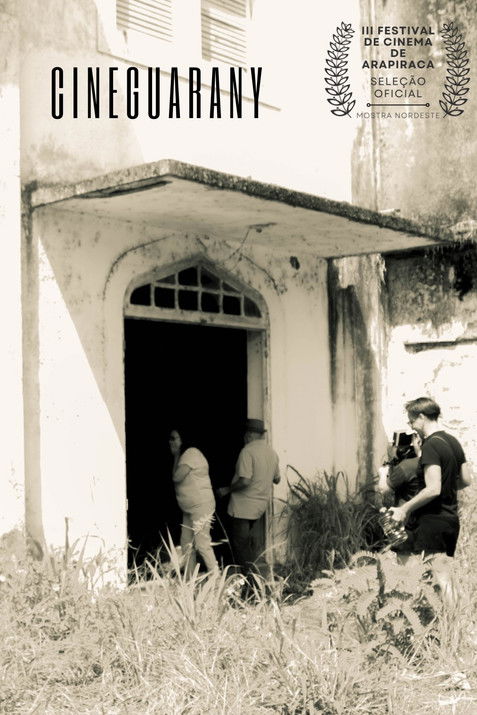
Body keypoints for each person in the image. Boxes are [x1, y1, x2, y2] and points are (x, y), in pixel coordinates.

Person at [389, 397, 472, 601]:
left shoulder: (431, 445)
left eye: (411, 420)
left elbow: (433, 488)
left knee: (438, 578)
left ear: (421, 417)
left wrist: (404, 509)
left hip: (432, 520)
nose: (411, 426)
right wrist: (446, 488)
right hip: (450, 519)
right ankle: (455, 618)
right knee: (444, 577)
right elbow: (466, 480)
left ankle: (451, 618)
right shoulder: (453, 441)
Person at [218, 418, 280, 577]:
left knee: (241, 547)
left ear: (250, 435)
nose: (244, 438)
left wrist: (227, 490)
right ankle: (252, 578)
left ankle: (252, 583)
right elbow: (277, 479)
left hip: (243, 508)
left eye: (245, 434)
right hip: (259, 507)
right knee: (248, 545)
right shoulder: (272, 453)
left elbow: (245, 480)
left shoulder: (247, 451)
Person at [169, 428, 219, 578]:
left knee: (202, 544)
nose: (171, 441)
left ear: (183, 439)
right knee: (186, 543)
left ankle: (216, 580)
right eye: (170, 438)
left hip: (200, 506)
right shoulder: (186, 455)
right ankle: (190, 579)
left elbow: (177, 477)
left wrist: (175, 455)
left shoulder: (191, 453)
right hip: (190, 508)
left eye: (174, 438)